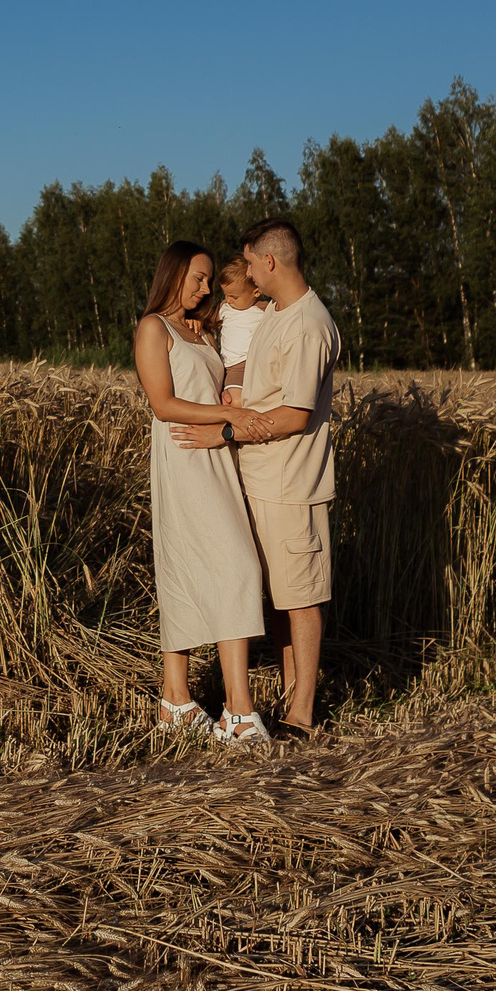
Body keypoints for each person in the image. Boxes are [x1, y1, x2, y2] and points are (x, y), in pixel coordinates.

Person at [172, 216, 339, 735]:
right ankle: (290, 701)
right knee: (282, 600)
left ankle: (301, 716)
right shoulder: (275, 315)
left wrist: (223, 433)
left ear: (268, 261)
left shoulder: (308, 324)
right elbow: (246, 361)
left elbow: (295, 415)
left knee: (301, 599)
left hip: (292, 485)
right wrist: (202, 333)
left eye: (248, 262)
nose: (244, 272)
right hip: (263, 480)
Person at [131, 241, 272, 746]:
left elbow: (251, 323)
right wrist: (230, 414)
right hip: (184, 457)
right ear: (173, 275)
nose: (206, 287)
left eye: (210, 279)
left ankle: (176, 701)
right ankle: (238, 711)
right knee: (238, 568)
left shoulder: (201, 330)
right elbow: (163, 404)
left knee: (194, 569)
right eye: (198, 277)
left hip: (215, 456)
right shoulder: (153, 328)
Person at [214, 258, 269, 392]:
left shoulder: (265, 309)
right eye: (225, 295)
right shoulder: (224, 308)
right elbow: (208, 322)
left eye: (234, 297)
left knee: (238, 398)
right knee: (230, 398)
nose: (228, 300)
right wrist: (196, 321)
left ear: (256, 292)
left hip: (248, 363)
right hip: (228, 365)